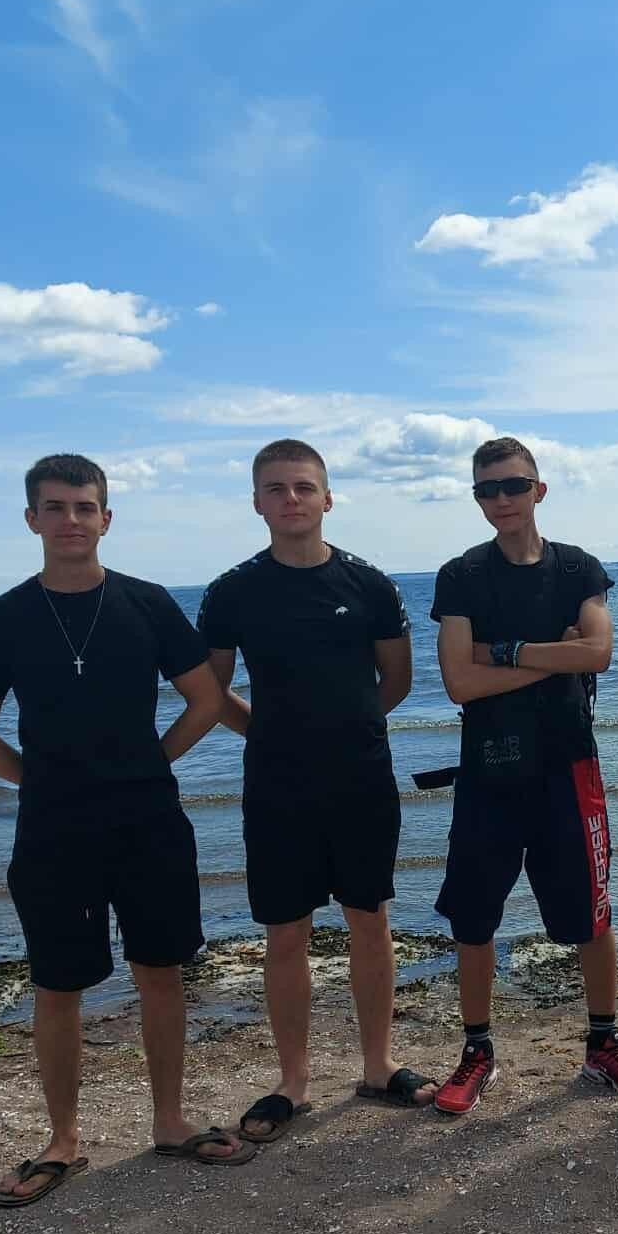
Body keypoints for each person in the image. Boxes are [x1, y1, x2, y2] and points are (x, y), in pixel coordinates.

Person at [0, 454, 253, 1207]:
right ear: (31, 519)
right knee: (57, 985)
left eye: (84, 507)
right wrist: (42, 781)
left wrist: (151, 761)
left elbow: (207, 700)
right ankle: (63, 1140)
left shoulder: (147, 603)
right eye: (54, 507)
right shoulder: (2, 617)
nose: (71, 520)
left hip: (149, 821)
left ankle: (171, 1121)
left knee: (160, 972)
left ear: (106, 519)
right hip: (53, 831)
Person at [198, 439, 430, 1142]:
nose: (291, 499)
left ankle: (378, 1065)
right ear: (257, 503)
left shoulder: (370, 584)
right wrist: (271, 733)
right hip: (277, 785)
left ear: (327, 498)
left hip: (361, 778)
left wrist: (347, 729)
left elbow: (396, 680)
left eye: (303, 487)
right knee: (285, 931)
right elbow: (210, 691)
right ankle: (293, 1082)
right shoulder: (232, 591)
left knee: (370, 918)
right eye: (276, 488)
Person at [429, 436, 618, 1114]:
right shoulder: (461, 575)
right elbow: (460, 682)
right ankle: (477, 1052)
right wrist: (555, 655)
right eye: (487, 489)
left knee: (592, 913)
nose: (501, 499)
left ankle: (604, 1042)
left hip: (568, 766)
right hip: (488, 773)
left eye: (513, 485)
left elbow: (599, 652)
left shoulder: (578, 568)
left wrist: (503, 651)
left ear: (539, 490)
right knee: (473, 918)